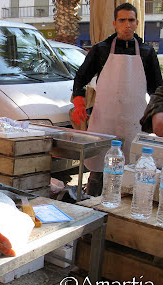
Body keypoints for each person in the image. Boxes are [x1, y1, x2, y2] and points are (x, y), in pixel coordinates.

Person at [71, 3, 163, 196]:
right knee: (97, 172)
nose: (127, 25)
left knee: (131, 173)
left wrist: (157, 117)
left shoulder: (146, 52)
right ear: (114, 23)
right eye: (122, 20)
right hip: (104, 122)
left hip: (133, 123)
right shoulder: (101, 50)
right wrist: (78, 101)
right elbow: (80, 78)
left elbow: (156, 89)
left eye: (131, 20)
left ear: (137, 23)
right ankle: (93, 206)